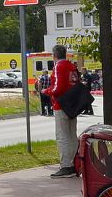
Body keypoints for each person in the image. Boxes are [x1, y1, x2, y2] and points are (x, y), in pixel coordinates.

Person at [43, 44, 79, 178]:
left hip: (61, 104)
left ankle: (65, 166)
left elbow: (57, 87)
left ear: (55, 55)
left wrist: (46, 91)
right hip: (73, 105)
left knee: (62, 136)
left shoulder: (59, 66)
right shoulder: (71, 66)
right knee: (72, 135)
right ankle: (74, 163)